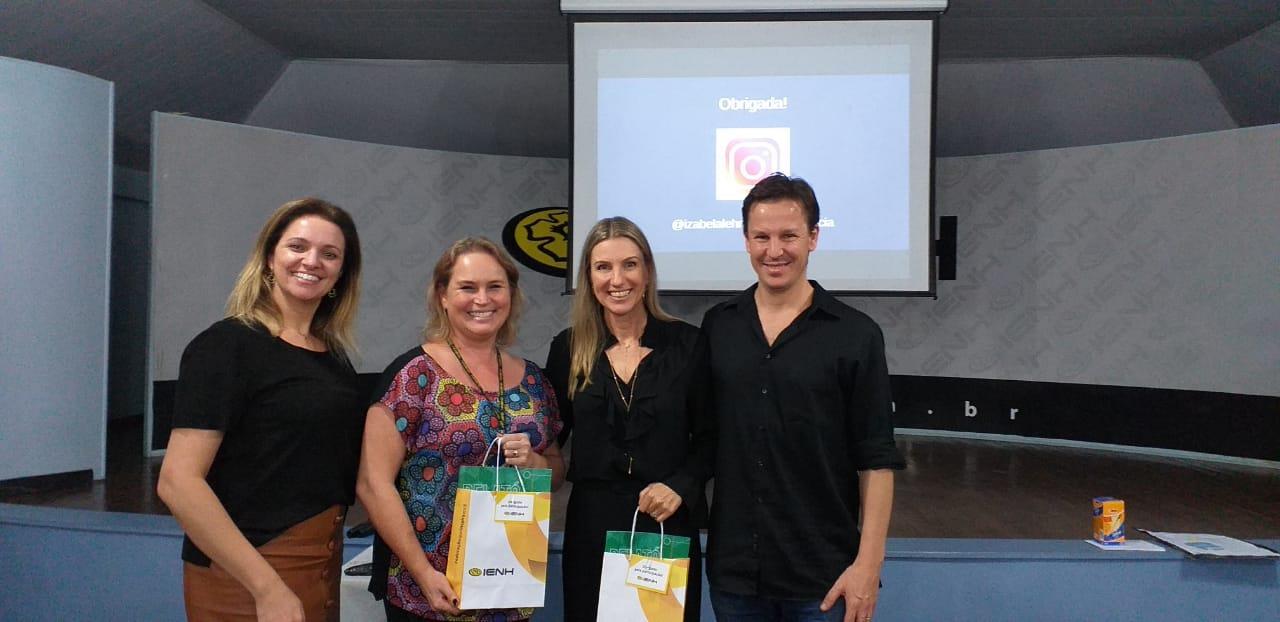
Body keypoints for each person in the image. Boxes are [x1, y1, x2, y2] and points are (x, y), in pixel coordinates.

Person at [701, 174, 905, 622]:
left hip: (824, 581)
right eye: (762, 237)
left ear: (813, 237)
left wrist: (867, 567)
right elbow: (701, 438)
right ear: (746, 241)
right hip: (735, 578)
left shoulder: (856, 336)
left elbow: (876, 460)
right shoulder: (718, 327)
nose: (774, 251)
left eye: (789, 236)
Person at [157, 197, 365, 622]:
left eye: (330, 254)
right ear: (270, 256)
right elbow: (178, 481)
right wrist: (267, 588)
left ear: (342, 273)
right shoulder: (225, 345)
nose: (312, 261)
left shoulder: (336, 359)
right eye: (298, 247)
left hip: (319, 565)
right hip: (246, 575)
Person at [357, 237, 565, 622]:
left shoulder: (536, 382)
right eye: (467, 288)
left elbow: (554, 471)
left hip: (510, 584)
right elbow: (372, 484)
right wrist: (423, 573)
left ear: (511, 295)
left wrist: (535, 461)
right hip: (431, 589)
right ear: (443, 296)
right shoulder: (413, 376)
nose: (482, 300)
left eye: (494, 287)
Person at [544, 217, 714, 622]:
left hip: (665, 525)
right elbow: (549, 439)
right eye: (603, 267)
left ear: (648, 271)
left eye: (630, 265)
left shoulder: (688, 345)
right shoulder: (568, 348)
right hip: (591, 528)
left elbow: (713, 436)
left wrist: (682, 486)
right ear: (589, 276)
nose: (617, 279)